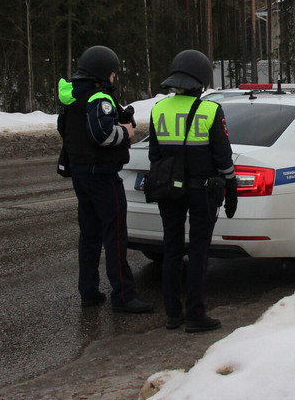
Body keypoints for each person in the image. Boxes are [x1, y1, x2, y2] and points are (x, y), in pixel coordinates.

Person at [58, 45, 154, 313]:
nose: (114, 78)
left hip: (80, 172)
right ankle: (123, 295)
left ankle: (88, 291)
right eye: (113, 73)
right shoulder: (100, 98)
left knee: (89, 234)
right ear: (103, 73)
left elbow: (62, 129)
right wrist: (126, 131)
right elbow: (101, 135)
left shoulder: (72, 96)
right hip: (102, 174)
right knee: (115, 235)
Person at [149, 50, 236, 333]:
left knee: (171, 248)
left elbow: (154, 154)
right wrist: (232, 189)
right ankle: (195, 314)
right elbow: (223, 157)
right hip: (203, 192)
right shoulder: (211, 110)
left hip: (169, 191)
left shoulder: (158, 109)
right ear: (201, 83)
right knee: (199, 250)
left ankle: (173, 314)